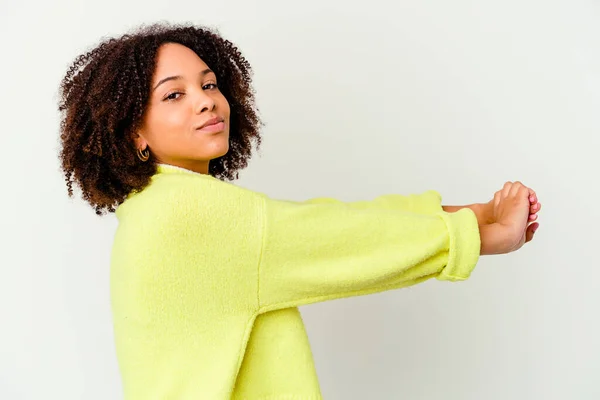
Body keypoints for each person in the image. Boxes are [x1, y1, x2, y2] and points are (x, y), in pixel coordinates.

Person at [57, 22, 541, 400]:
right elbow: (339, 237)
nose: (206, 101)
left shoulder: (154, 209)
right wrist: (483, 237)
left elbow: (318, 221)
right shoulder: (189, 213)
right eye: (174, 94)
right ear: (133, 133)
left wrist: (472, 213)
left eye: (209, 84)